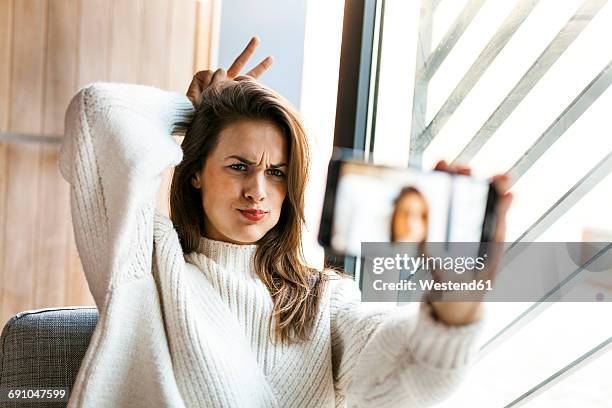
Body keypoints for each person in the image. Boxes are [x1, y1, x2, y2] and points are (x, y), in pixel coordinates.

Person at [59, 37, 513, 407]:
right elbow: (95, 113)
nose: (258, 189)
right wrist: (190, 113)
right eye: (239, 166)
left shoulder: (323, 301)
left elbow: (410, 376)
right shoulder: (149, 261)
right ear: (195, 172)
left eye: (276, 172)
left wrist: (455, 298)